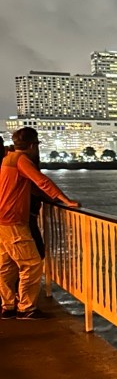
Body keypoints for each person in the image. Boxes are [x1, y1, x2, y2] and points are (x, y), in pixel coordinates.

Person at [0, 127, 80, 320]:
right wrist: (65, 200)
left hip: (2, 220)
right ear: (32, 145)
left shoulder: (7, 159)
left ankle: (8, 306)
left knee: (6, 265)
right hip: (13, 220)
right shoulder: (21, 160)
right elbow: (42, 181)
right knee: (32, 264)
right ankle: (26, 307)